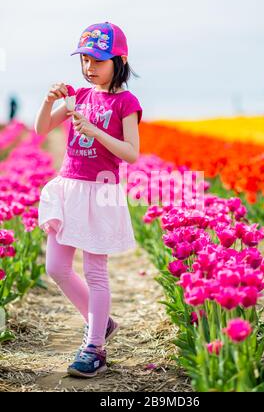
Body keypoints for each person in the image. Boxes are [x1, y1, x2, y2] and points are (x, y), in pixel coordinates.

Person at [34, 22, 143, 378]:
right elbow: (41, 130)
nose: (89, 67)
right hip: (69, 187)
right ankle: (101, 324)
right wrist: (49, 101)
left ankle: (95, 346)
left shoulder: (126, 102)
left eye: (97, 59)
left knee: (96, 272)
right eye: (84, 59)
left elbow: (130, 154)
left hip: (101, 190)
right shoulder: (78, 96)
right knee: (56, 268)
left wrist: (95, 131)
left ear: (119, 60)